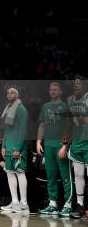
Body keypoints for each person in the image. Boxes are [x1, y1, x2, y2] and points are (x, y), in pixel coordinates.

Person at [37, 81, 73, 217]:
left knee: (65, 176)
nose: (52, 91)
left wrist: (65, 145)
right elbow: (42, 124)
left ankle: (68, 205)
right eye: (51, 89)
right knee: (50, 176)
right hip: (48, 145)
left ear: (61, 91)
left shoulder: (64, 106)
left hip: (60, 146)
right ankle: (53, 204)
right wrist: (39, 141)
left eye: (55, 89)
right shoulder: (45, 106)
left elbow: (69, 127)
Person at [0, 88, 29, 213]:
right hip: (9, 146)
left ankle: (24, 204)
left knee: (20, 172)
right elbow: (6, 130)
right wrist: (4, 146)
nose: (9, 94)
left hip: (18, 147)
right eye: (8, 93)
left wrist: (18, 148)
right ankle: (15, 202)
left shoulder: (21, 109)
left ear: (17, 95)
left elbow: (23, 131)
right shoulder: (9, 109)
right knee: (10, 173)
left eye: (12, 92)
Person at [67, 78, 88, 218]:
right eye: (74, 84)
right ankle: (80, 205)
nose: (76, 86)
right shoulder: (69, 100)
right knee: (78, 175)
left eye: (79, 83)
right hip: (77, 142)